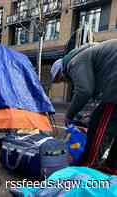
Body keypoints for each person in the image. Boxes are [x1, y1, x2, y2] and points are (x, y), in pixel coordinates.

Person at [51, 39, 117, 173]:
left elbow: (84, 91)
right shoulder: (92, 52)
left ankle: (87, 167)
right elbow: (95, 91)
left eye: (61, 79)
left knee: (99, 125)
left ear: (61, 71)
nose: (64, 81)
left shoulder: (74, 62)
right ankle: (111, 167)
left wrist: (69, 115)